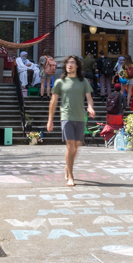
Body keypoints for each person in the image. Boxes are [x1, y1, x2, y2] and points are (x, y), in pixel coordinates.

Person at [47, 56, 95, 187]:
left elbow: (89, 97)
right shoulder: (60, 82)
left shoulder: (83, 81)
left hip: (80, 117)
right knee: (70, 145)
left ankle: (67, 166)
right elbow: (53, 101)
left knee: (77, 146)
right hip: (66, 116)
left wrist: (90, 107)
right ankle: (70, 175)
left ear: (77, 66)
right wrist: (50, 120)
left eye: (73, 62)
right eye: (68, 62)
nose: (70, 64)